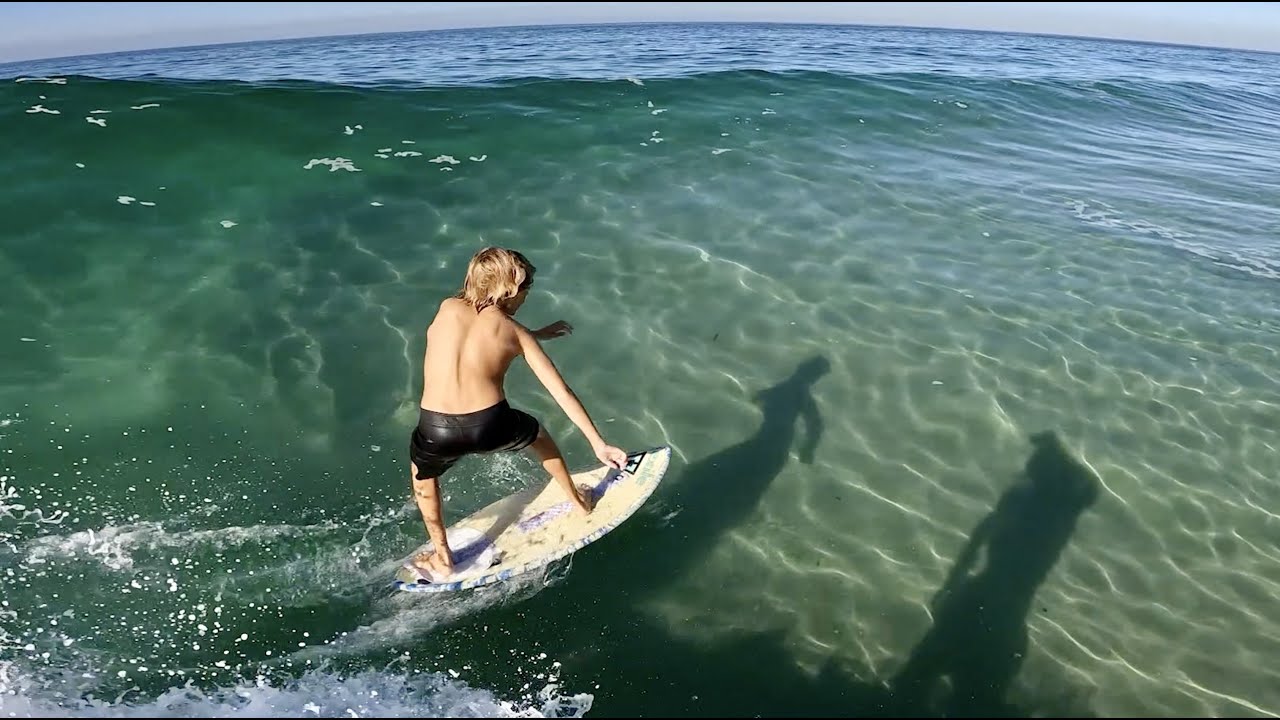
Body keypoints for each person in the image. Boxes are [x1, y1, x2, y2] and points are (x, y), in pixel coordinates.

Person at [406, 247, 628, 580]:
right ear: (511, 289)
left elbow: (474, 334)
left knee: (423, 476)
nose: (526, 296)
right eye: (526, 288)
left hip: (436, 428)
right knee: (537, 434)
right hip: (489, 423)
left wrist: (534, 334)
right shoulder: (515, 333)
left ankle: (443, 557)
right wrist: (599, 444)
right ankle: (579, 502)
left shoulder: (447, 308)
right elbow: (561, 392)